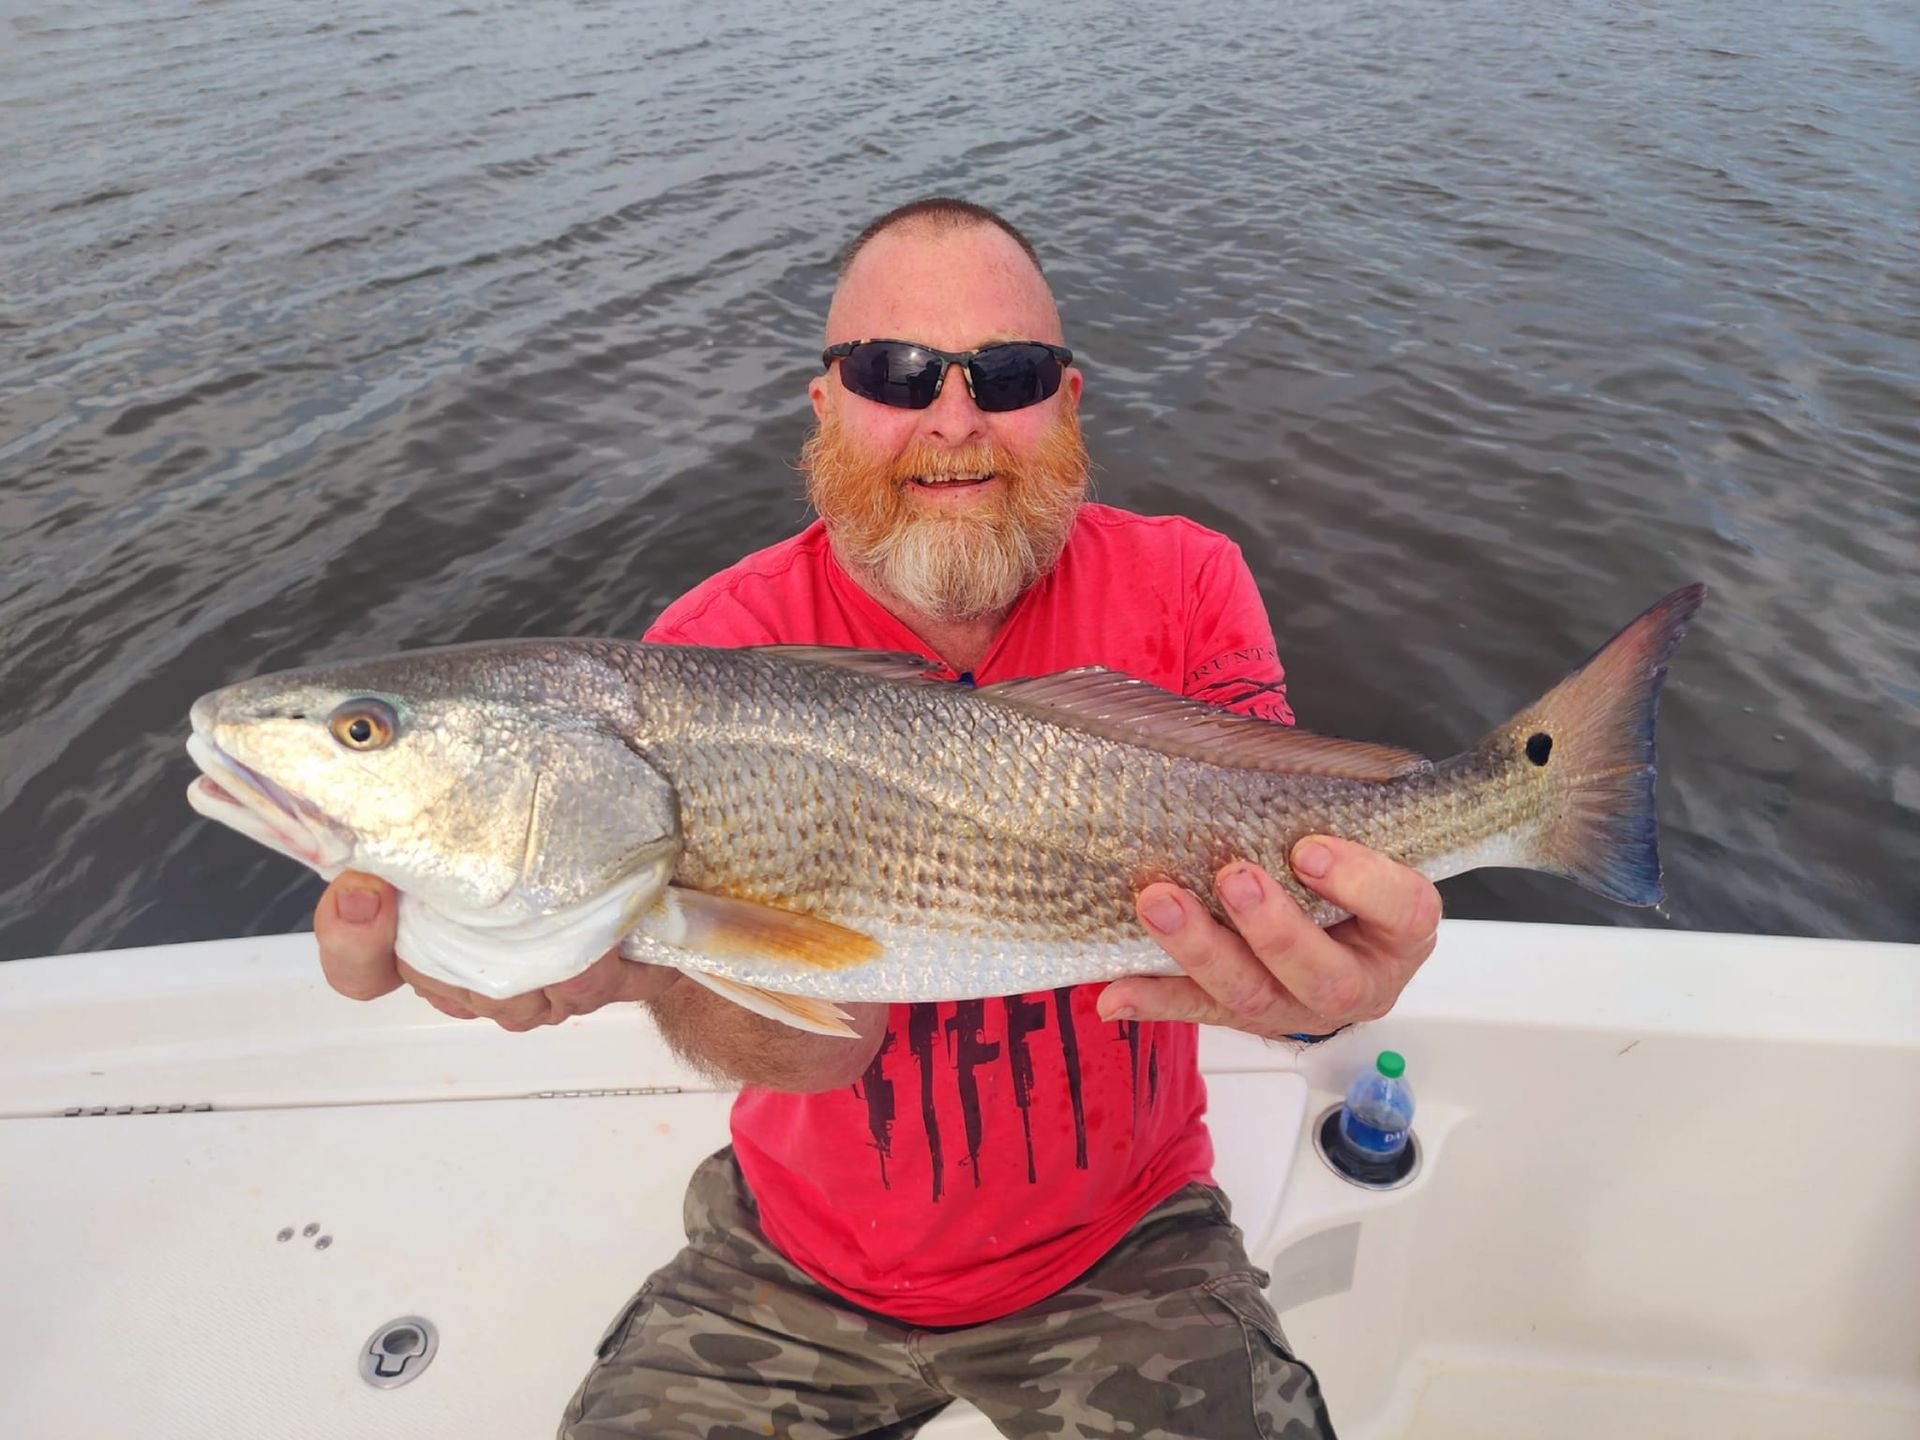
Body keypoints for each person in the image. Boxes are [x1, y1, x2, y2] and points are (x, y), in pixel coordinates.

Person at [313, 199, 1442, 1438]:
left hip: (1128, 1247)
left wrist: (1318, 990)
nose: (952, 421)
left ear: (1068, 406)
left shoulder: (1185, 584)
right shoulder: (711, 651)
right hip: (791, 1263)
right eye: (892, 372)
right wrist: (619, 968)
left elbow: (1285, 904)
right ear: (826, 407)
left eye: (1006, 376)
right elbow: (820, 1050)